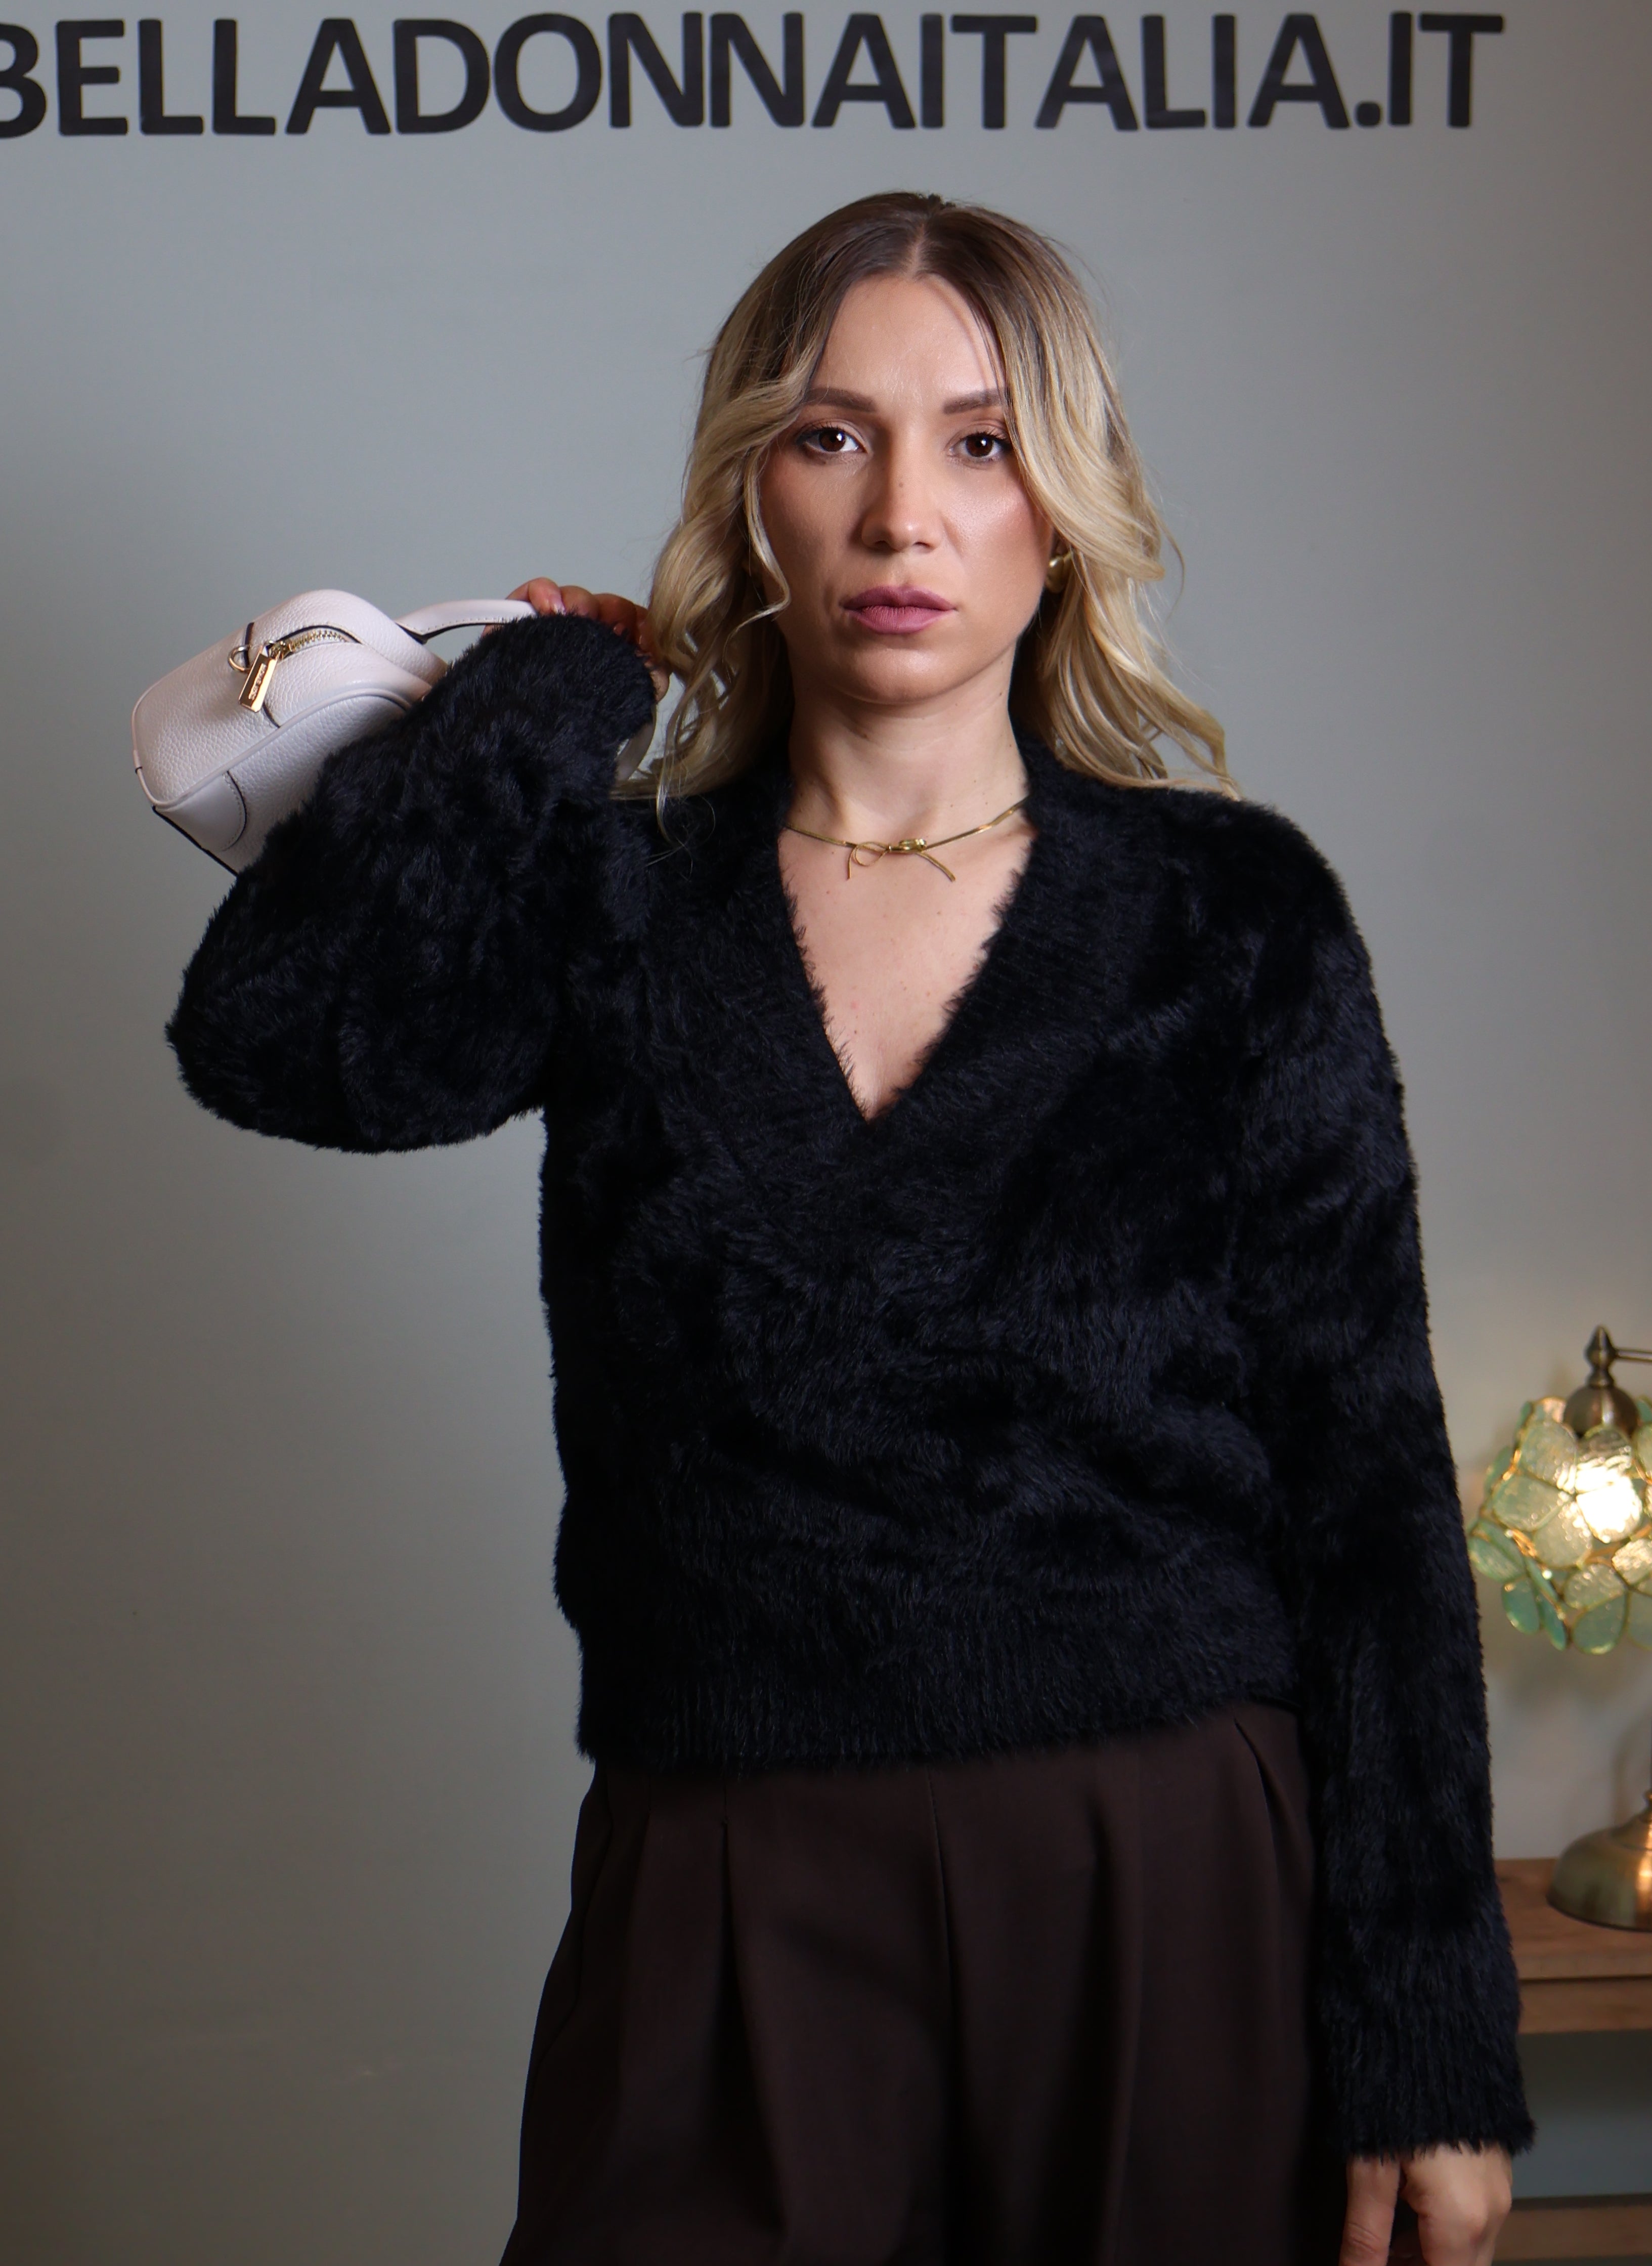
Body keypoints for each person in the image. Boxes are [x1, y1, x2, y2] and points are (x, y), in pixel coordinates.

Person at [165, 193, 1531, 2265]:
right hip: (726, 1882)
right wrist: (538, 701)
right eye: (830, 436)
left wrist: (1428, 2038)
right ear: (751, 492)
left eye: (979, 443)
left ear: (1062, 508)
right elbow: (284, 1049)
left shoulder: (1230, 914)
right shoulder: (624, 900)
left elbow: (1373, 1499)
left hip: (1169, 1880)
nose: (903, 514)